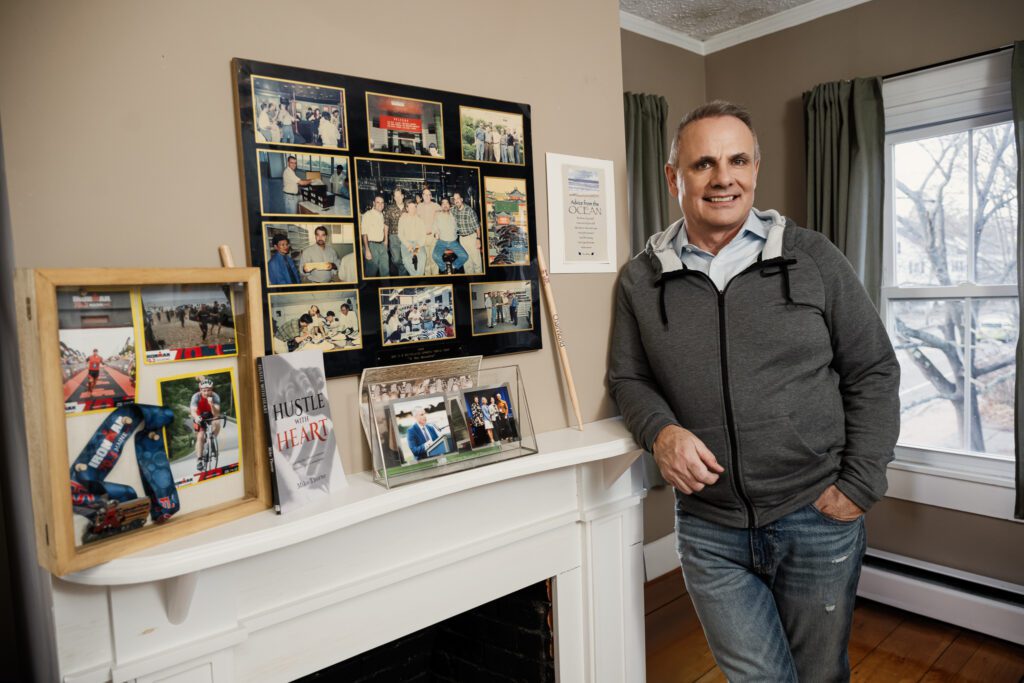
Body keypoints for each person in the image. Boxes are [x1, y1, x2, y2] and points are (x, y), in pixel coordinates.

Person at [607, 101, 900, 683]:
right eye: (703, 164)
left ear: (756, 169)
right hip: (710, 530)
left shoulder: (813, 258)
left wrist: (861, 482)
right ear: (674, 177)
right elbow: (628, 379)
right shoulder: (640, 280)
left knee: (820, 674)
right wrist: (660, 433)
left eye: (738, 160)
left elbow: (873, 368)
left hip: (816, 515)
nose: (724, 178)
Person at [190, 377, 222, 468]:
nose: (206, 393)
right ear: (200, 390)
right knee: (200, 437)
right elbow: (193, 411)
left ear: (212, 389)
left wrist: (211, 404)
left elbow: (216, 413)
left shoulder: (215, 396)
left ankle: (212, 439)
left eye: (209, 390)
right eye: (204, 390)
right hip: (199, 416)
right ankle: (199, 460)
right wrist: (196, 417)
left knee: (217, 421)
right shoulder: (196, 397)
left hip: (211, 415)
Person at [431, 197, 469, 273]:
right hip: (441, 242)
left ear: (450, 205)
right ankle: (445, 268)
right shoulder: (437, 215)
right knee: (435, 256)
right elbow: (434, 227)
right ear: (441, 205)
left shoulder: (454, 214)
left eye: (447, 203)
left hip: (453, 242)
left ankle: (453, 266)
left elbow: (461, 210)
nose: (445, 205)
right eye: (443, 203)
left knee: (465, 256)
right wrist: (435, 233)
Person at [451, 192, 482, 274]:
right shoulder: (453, 210)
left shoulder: (469, 211)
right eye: (455, 199)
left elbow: (477, 227)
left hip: (472, 237)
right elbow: (444, 211)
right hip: (462, 239)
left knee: (476, 262)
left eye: (458, 198)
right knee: (467, 262)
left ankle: (479, 281)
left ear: (461, 199)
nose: (456, 200)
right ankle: (470, 282)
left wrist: (478, 239)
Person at [398, 198, 427, 276]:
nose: (413, 209)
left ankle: (418, 276)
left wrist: (417, 247)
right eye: (410, 207)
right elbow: (400, 234)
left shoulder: (420, 219)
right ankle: (414, 275)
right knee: (406, 260)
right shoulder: (402, 218)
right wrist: (408, 245)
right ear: (407, 208)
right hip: (406, 243)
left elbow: (423, 234)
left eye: (414, 207)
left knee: (422, 257)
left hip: (418, 243)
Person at [361, 195, 389, 277]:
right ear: (374, 203)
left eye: (382, 202)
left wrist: (385, 241)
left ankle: (386, 290)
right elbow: (364, 233)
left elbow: (384, 228)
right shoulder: (367, 215)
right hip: (371, 246)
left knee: (385, 271)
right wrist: (367, 249)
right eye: (378, 202)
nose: (380, 204)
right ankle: (370, 289)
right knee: (371, 272)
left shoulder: (382, 215)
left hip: (382, 245)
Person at [384, 187, 407, 276]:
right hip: (394, 236)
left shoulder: (408, 207)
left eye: (399, 196)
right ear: (394, 197)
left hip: (406, 237)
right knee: (396, 259)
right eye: (395, 196)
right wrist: (386, 240)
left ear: (403, 196)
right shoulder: (389, 209)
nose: (398, 198)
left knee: (406, 258)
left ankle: (403, 278)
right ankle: (403, 270)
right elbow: (386, 225)